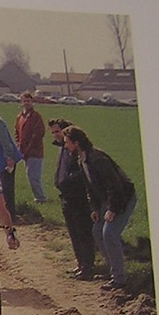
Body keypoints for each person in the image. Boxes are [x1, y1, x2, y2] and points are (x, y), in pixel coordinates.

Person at [63, 125, 136, 291]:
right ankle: (113, 271)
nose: (65, 146)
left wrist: (112, 209)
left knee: (109, 233)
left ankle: (119, 279)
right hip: (106, 199)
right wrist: (95, 208)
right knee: (97, 232)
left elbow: (115, 185)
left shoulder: (97, 159)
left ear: (76, 143)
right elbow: (90, 187)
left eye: (67, 142)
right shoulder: (82, 159)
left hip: (122, 197)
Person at [49, 118, 97, 278]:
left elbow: (83, 172)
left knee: (83, 232)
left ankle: (87, 267)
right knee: (73, 233)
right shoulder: (62, 148)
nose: (55, 135)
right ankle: (80, 264)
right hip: (66, 196)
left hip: (78, 197)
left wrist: (68, 180)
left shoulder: (75, 151)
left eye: (57, 132)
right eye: (53, 132)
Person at [14, 91, 47, 204]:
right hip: (24, 151)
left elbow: (38, 134)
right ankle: (38, 197)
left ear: (32, 102)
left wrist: (27, 149)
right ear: (21, 102)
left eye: (29, 101)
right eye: (24, 101)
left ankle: (40, 198)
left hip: (34, 151)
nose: (27, 103)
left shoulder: (36, 116)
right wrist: (19, 145)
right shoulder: (19, 117)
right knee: (29, 176)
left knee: (33, 177)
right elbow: (17, 132)